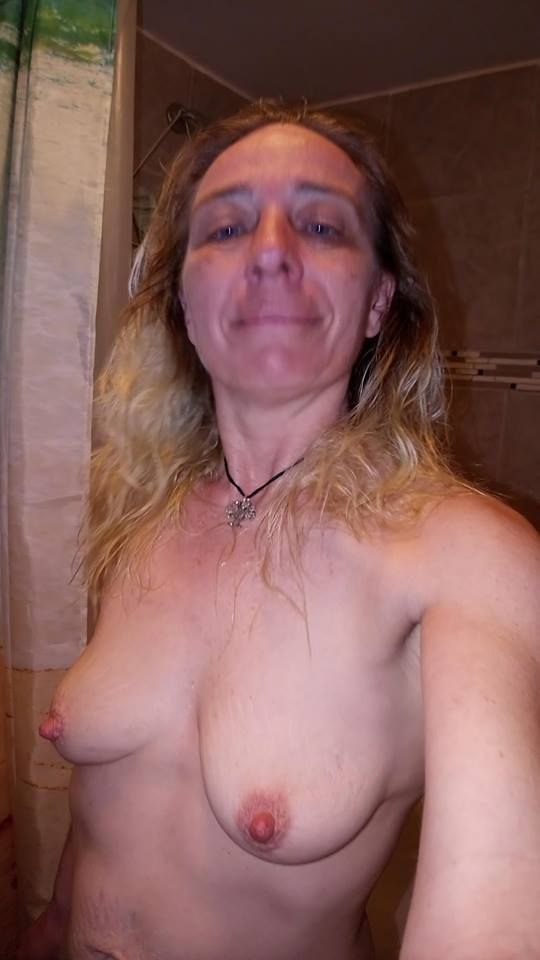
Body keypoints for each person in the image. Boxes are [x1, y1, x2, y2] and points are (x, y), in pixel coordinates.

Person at [20, 100, 540, 960]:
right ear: (184, 303)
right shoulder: (140, 519)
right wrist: (50, 923)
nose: (268, 250)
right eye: (226, 228)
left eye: (321, 225)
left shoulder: (468, 556)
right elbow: (111, 799)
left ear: (378, 301)